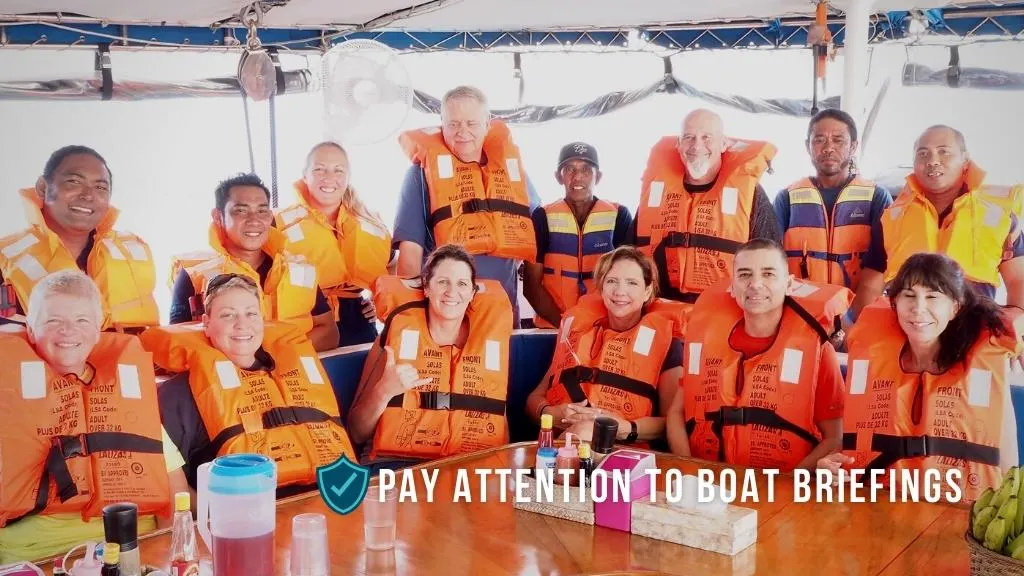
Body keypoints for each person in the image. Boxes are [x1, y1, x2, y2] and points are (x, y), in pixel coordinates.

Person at [0, 270, 184, 563]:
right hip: (35, 554)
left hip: (133, 545)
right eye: (53, 321)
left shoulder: (125, 396)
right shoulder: (6, 399)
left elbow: (176, 490)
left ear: (98, 331)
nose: (68, 331)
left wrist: (165, 555)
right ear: (31, 330)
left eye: (81, 320)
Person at [821, 253, 1020, 502]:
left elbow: (1009, 466)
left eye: (933, 297)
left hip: (957, 514)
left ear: (955, 308)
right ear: (894, 303)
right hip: (879, 507)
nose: (919, 308)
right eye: (909, 295)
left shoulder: (985, 367)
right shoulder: (869, 358)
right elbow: (852, 443)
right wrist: (831, 468)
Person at [144, 273, 356, 498]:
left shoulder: (302, 375)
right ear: (206, 324)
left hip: (332, 501)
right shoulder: (178, 395)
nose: (242, 325)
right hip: (244, 521)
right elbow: (173, 489)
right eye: (228, 315)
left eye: (251, 314)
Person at [666, 239, 848, 471]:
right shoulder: (704, 339)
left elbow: (835, 438)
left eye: (768, 274)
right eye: (744, 275)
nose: (755, 284)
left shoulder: (819, 351)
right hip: (706, 485)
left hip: (782, 488)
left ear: (789, 284)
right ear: (732, 285)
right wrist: (688, 469)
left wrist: (788, 485)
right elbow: (676, 413)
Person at [348, 244, 513, 471]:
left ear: (472, 292)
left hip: (466, 468)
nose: (451, 292)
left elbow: (499, 424)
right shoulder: (392, 342)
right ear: (426, 287)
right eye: (442, 282)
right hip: (396, 466)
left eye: (462, 284)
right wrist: (384, 391)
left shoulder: (490, 344)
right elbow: (356, 432)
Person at [393, 85, 541, 326]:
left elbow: (535, 234)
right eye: (453, 124)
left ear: (487, 122)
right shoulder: (420, 176)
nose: (462, 132)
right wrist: (411, 320)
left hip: (501, 311)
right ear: (442, 123)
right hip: (446, 317)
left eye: (471, 123)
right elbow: (410, 257)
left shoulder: (513, 174)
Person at [853, 125, 1024, 319]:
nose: (933, 161)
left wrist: (1014, 330)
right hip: (910, 332)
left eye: (943, 152)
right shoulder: (892, 218)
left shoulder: (998, 215)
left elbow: (1019, 279)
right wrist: (867, 331)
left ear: (965, 160)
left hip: (974, 331)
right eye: (923, 153)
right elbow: (870, 285)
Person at [526, 247, 683, 445]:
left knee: (584, 431)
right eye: (612, 281)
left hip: (624, 452)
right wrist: (550, 413)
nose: (620, 291)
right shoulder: (576, 334)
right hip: (562, 444)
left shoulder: (667, 343)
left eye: (632, 283)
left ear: (647, 291)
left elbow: (672, 421)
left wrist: (623, 428)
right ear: (601, 287)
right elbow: (534, 399)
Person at [631, 108, 781, 311]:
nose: (697, 145)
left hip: (724, 313)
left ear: (723, 144)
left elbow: (772, 263)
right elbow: (628, 256)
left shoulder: (750, 195)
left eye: (706, 137)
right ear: (678, 144)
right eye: (689, 137)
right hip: (661, 312)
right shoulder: (656, 192)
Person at [168, 173, 339, 351]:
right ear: (218, 217)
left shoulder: (300, 270)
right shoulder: (194, 275)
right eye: (241, 210)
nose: (254, 220)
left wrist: (279, 355)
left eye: (262, 211)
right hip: (230, 378)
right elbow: (178, 347)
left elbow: (329, 333)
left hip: (295, 374)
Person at [0, 146, 159, 331]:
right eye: (74, 182)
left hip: (127, 359)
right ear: (43, 187)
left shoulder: (134, 253)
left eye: (100, 187)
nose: (88, 195)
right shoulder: (5, 259)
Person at [276, 141, 392, 347]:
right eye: (319, 169)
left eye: (338, 170)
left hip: (359, 321)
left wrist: (379, 300)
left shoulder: (369, 222)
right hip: (309, 323)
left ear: (348, 177)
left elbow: (392, 264)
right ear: (305, 176)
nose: (329, 178)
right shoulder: (278, 225)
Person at [774, 109, 892, 292]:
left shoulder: (877, 197)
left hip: (854, 311)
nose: (828, 148)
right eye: (819, 140)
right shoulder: (786, 199)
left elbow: (881, 266)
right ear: (808, 146)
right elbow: (769, 259)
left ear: (853, 146)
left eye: (838, 140)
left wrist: (851, 318)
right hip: (801, 310)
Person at [523, 142, 633, 329]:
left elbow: (630, 281)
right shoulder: (542, 217)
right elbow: (531, 287)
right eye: (569, 169)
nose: (578, 177)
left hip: (602, 327)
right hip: (552, 328)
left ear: (597, 176)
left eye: (586, 169)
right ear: (559, 177)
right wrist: (565, 327)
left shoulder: (619, 215)